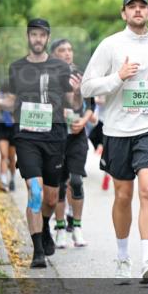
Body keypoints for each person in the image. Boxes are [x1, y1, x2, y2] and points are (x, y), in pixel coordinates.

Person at [80, 0, 148, 284]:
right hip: (118, 130)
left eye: (142, 6)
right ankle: (123, 256)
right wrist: (118, 77)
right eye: (131, 7)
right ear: (123, 14)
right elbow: (86, 87)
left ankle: (147, 261)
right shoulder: (111, 45)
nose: (137, 11)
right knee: (122, 195)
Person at [0, 18, 80, 268]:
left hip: (55, 136)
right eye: (33, 34)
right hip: (26, 136)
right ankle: (37, 250)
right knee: (34, 192)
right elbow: (12, 101)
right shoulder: (17, 67)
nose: (37, 39)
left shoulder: (60, 67)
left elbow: (74, 103)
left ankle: (44, 226)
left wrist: (78, 92)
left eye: (42, 35)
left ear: (47, 37)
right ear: (28, 37)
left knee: (50, 198)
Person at [50, 38, 93, 249]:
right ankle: (59, 229)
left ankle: (76, 226)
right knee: (59, 184)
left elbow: (90, 106)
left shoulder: (80, 75)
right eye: (62, 50)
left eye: (70, 49)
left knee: (76, 180)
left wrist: (83, 121)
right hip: (56, 136)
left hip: (77, 136)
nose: (67, 53)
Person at [0, 85, 18, 191]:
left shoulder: (16, 98)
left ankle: (12, 178)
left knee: (11, 158)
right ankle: (3, 181)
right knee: (3, 155)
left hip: (13, 128)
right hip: (2, 128)